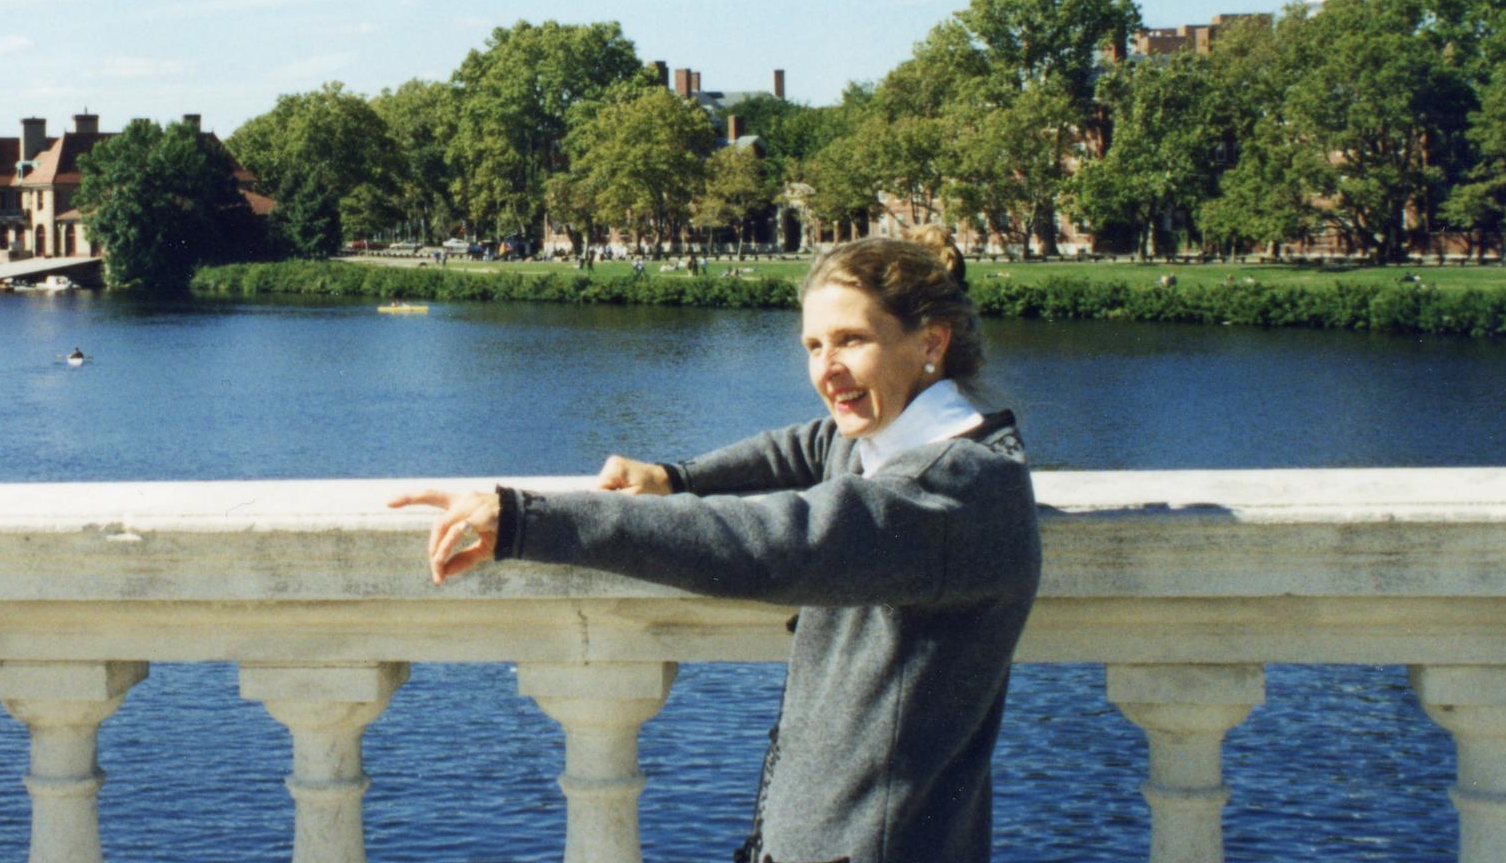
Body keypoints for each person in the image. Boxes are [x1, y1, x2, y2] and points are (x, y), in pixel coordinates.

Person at [389, 228, 1040, 863]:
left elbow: (771, 546)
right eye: (813, 345)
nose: (826, 370)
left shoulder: (953, 493)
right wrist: (678, 477)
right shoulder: (891, 438)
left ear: (931, 341)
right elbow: (810, 445)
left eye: (851, 341)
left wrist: (527, 522)